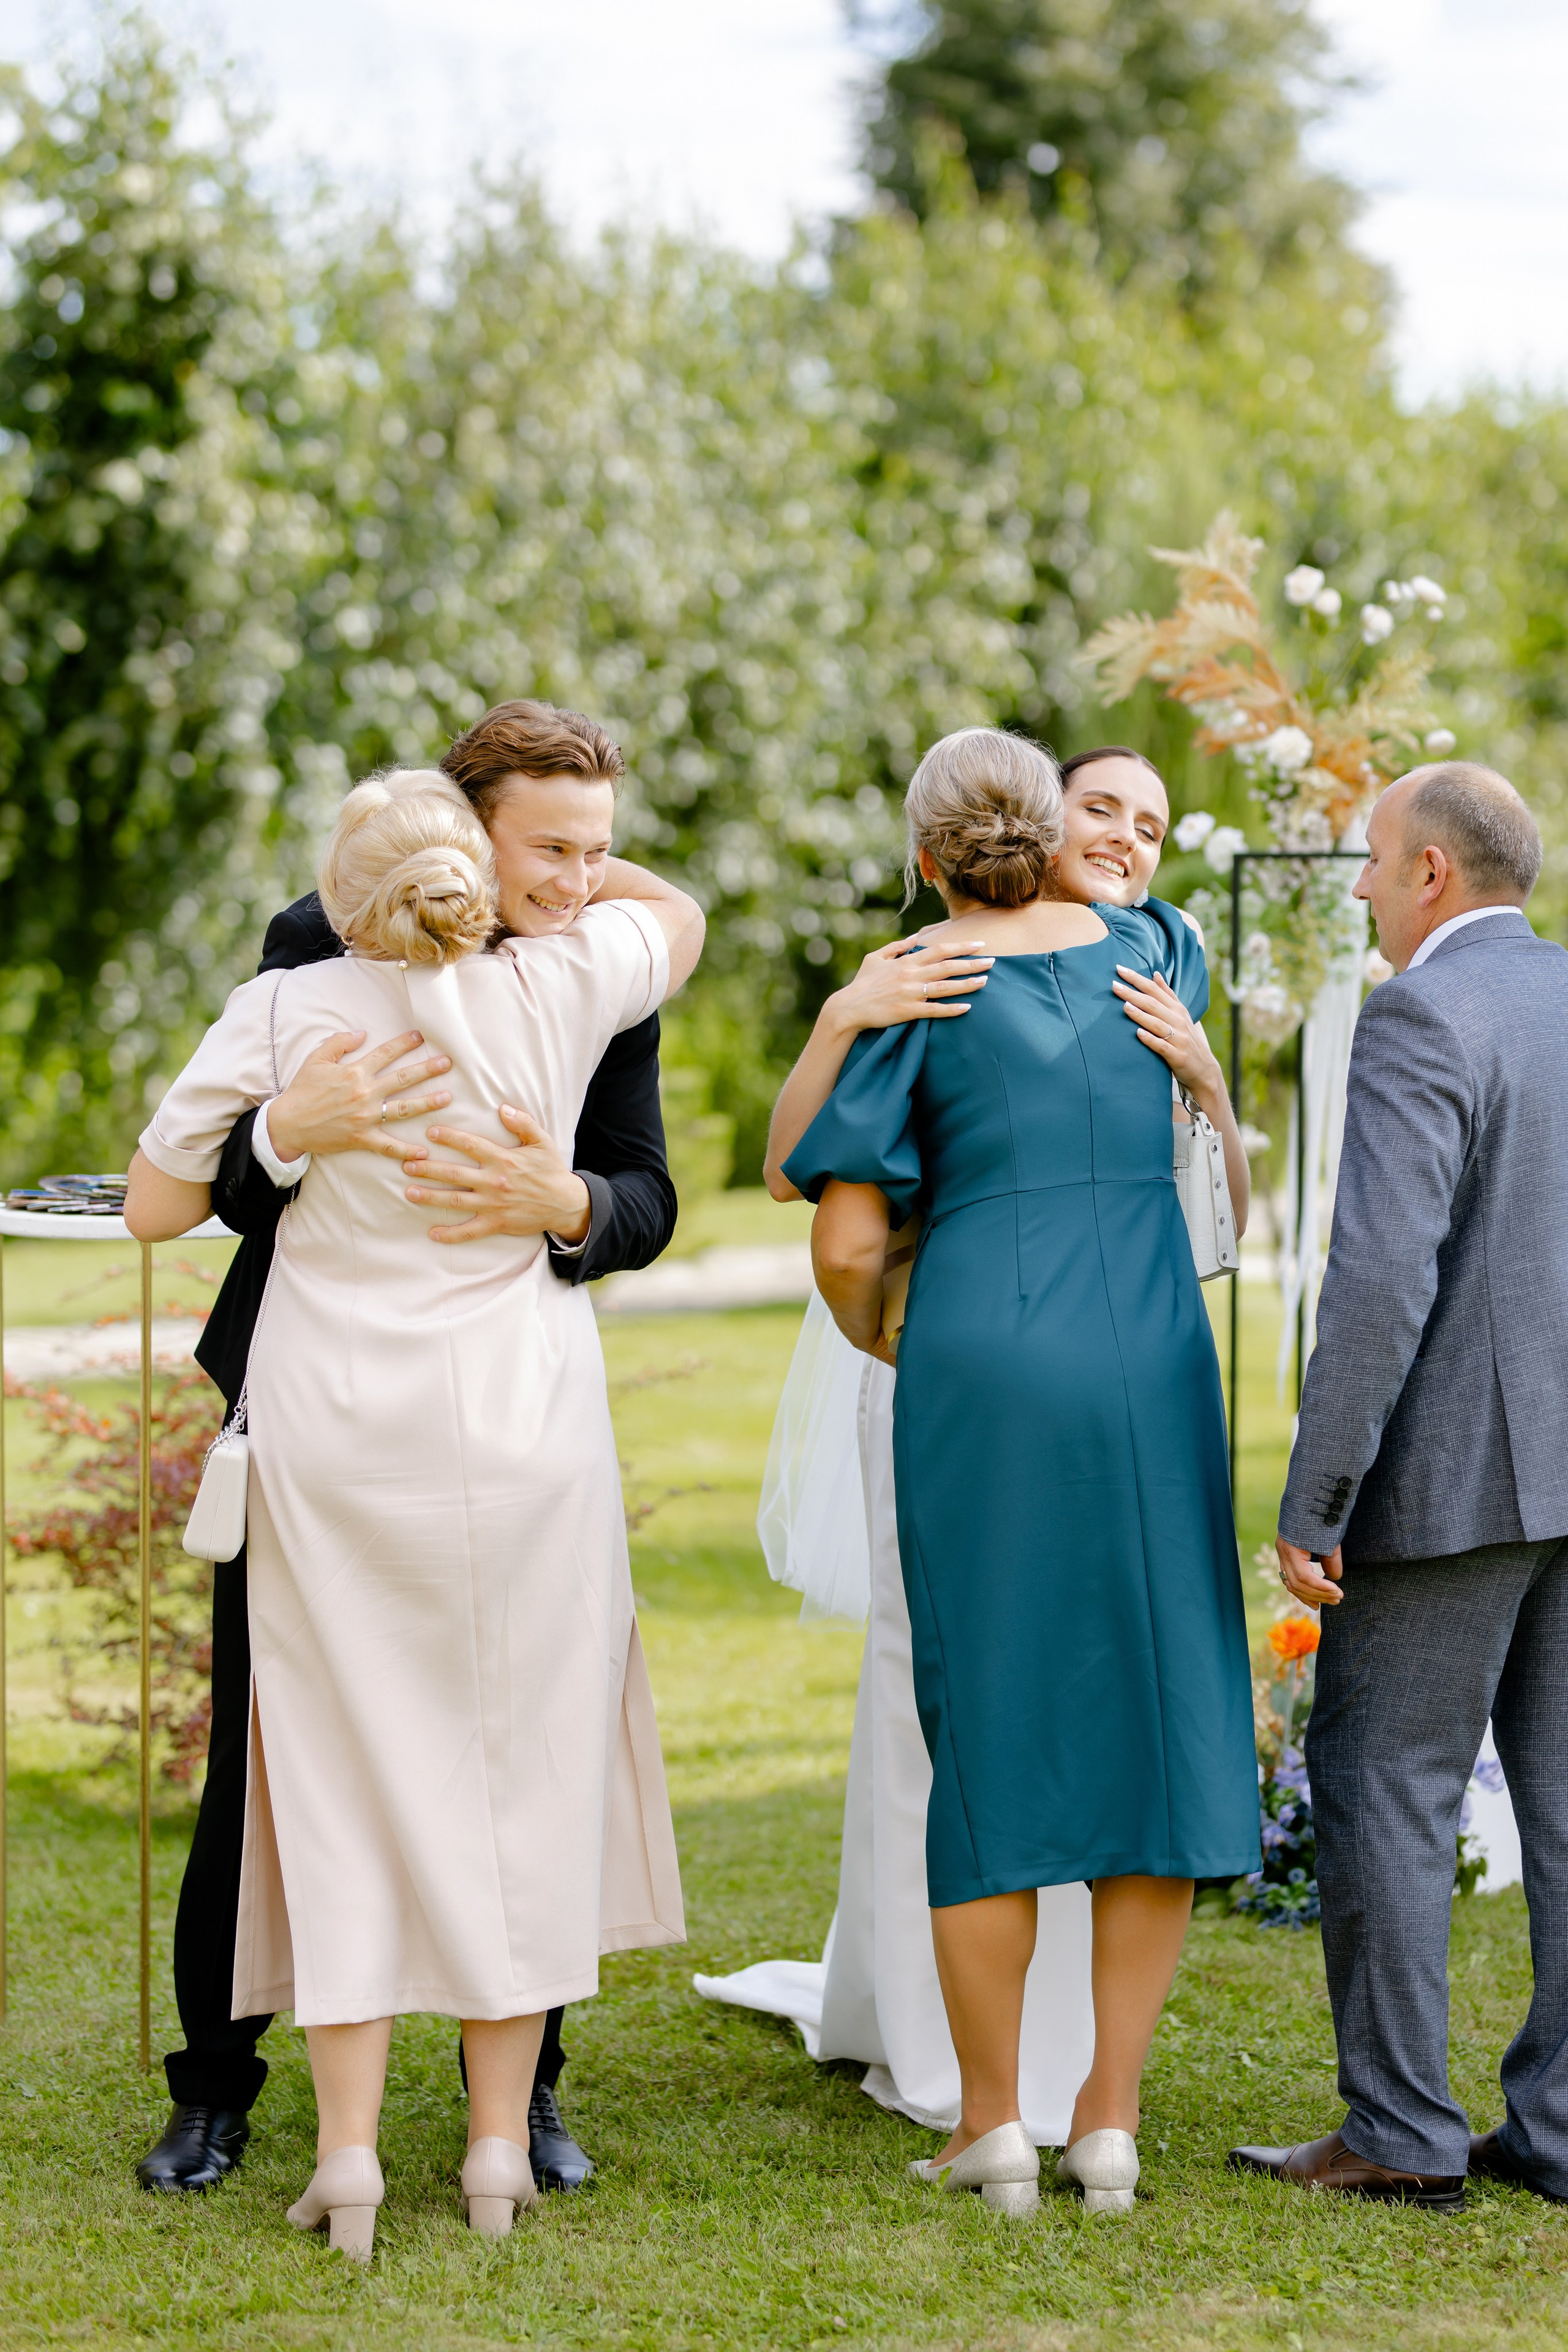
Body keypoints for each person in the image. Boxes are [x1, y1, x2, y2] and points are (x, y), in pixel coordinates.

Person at [126, 768, 702, 2258]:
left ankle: (354, 2159)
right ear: (473, 841)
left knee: (332, 1787)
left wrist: (561, 1200)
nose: (577, 877)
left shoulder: (295, 1002)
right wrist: (283, 1135)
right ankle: (494, 2154)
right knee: (523, 1771)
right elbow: (680, 919)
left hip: (342, 1433)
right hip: (512, 1427)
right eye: (551, 848)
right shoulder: (569, 979)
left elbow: (145, 1206)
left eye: (594, 849)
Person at [701, 748, 1244, 2146]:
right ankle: (1109, 2116)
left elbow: (826, 1220)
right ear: (1048, 826)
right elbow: (1204, 1178)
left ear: (926, 855)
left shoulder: (921, 983)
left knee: (987, 1719)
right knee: (1159, 1715)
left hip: (982, 1365)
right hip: (1151, 1355)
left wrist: (900, 1334)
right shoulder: (1156, 954)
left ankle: (988, 2121)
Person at [1231, 762, 1568, 2213]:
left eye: (1372, 862)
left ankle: (1399, 2134)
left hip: (1451, 1479)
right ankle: (1554, 2129)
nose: (1360, 887)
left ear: (1430, 873)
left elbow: (1374, 1279)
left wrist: (1317, 1497)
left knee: (1382, 1783)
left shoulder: (1418, 1012)